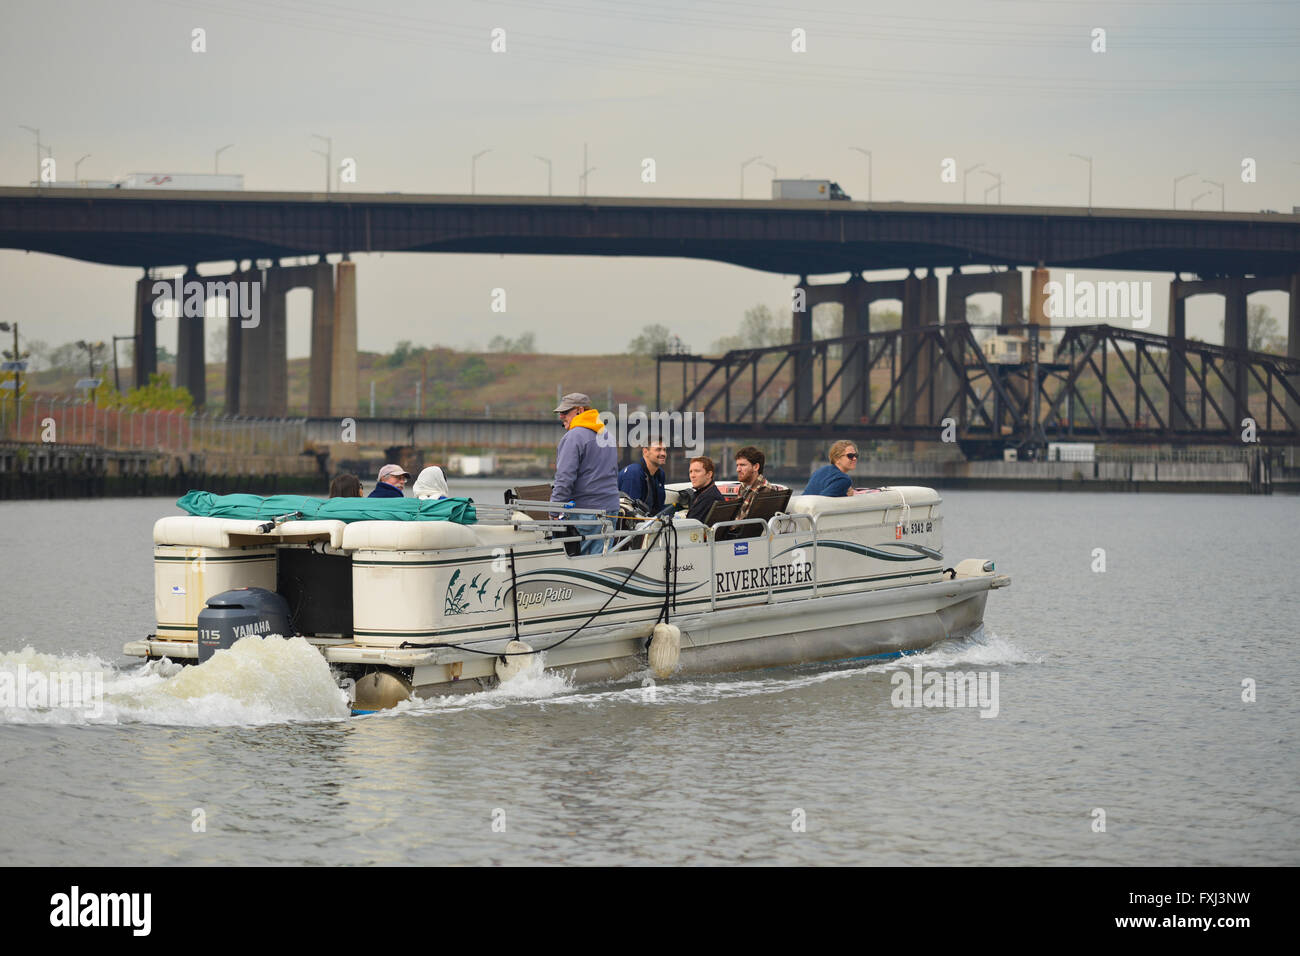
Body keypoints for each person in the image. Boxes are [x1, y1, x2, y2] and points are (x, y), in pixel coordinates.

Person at [550, 392, 619, 555]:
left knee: (583, 565)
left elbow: (564, 479)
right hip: (611, 509)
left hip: (586, 513)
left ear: (580, 411)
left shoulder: (573, 437)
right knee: (602, 561)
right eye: (560, 413)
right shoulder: (607, 435)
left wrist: (553, 511)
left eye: (565, 412)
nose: (561, 416)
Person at [618, 440, 668, 514]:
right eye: (658, 449)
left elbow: (658, 508)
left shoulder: (660, 474)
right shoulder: (634, 473)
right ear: (645, 452)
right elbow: (629, 513)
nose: (663, 453)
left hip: (649, 521)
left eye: (664, 450)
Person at [684, 456, 725, 523]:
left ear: (709, 474)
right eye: (690, 472)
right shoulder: (710, 492)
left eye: (697, 471)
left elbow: (690, 525)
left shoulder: (708, 497)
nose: (692, 475)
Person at [734, 445, 769, 520]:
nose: (738, 469)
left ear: (756, 467)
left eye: (742, 465)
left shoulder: (764, 491)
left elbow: (745, 523)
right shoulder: (743, 487)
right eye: (737, 465)